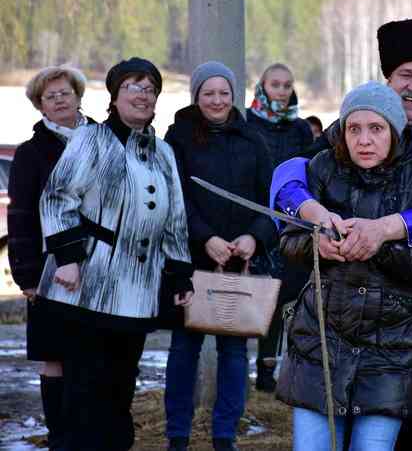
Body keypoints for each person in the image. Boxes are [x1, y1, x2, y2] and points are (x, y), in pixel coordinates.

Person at [270, 19, 412, 450]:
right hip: (347, 304)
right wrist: (315, 214)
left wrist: (384, 230)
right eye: (405, 75)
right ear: (388, 79)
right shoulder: (363, 119)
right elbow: (292, 172)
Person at [276, 81, 412, 451]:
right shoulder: (322, 168)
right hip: (319, 345)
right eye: (354, 129)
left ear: (394, 130)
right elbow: (289, 240)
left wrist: (381, 246)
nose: (365, 140)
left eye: (376, 129)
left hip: (391, 348)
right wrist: (318, 245)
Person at [39, 57, 193, 450]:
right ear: (114, 95)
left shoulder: (163, 152)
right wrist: (68, 258)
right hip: (88, 286)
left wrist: (179, 276)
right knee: (84, 393)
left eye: (150, 89)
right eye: (133, 87)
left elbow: (175, 218)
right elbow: (57, 199)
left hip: (137, 293)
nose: (142, 96)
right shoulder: (91, 139)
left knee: (120, 392)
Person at [163, 61, 278, 451]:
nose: (217, 100)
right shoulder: (176, 138)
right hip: (191, 261)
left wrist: (254, 237)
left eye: (224, 93)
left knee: (233, 352)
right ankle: (177, 433)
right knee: (184, 350)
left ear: (234, 96)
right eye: (208, 93)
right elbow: (174, 197)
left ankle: (225, 434)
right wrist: (205, 237)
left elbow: (270, 201)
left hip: (240, 262)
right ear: (196, 96)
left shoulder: (253, 139)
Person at [8, 65, 94, 450]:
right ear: (39, 105)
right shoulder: (30, 153)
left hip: (103, 267)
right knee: (55, 357)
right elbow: (21, 216)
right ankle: (61, 440)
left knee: (94, 358)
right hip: (49, 268)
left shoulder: (103, 141)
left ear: (79, 96)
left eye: (66, 93)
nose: (60, 100)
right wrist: (26, 274)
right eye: (51, 96)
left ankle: (89, 435)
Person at [246, 63, 314, 392]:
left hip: (290, 222)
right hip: (255, 219)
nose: (282, 91)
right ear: (262, 86)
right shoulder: (247, 122)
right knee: (260, 299)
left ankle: (279, 371)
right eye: (275, 84)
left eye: (287, 85)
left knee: (288, 298)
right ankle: (259, 373)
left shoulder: (300, 128)